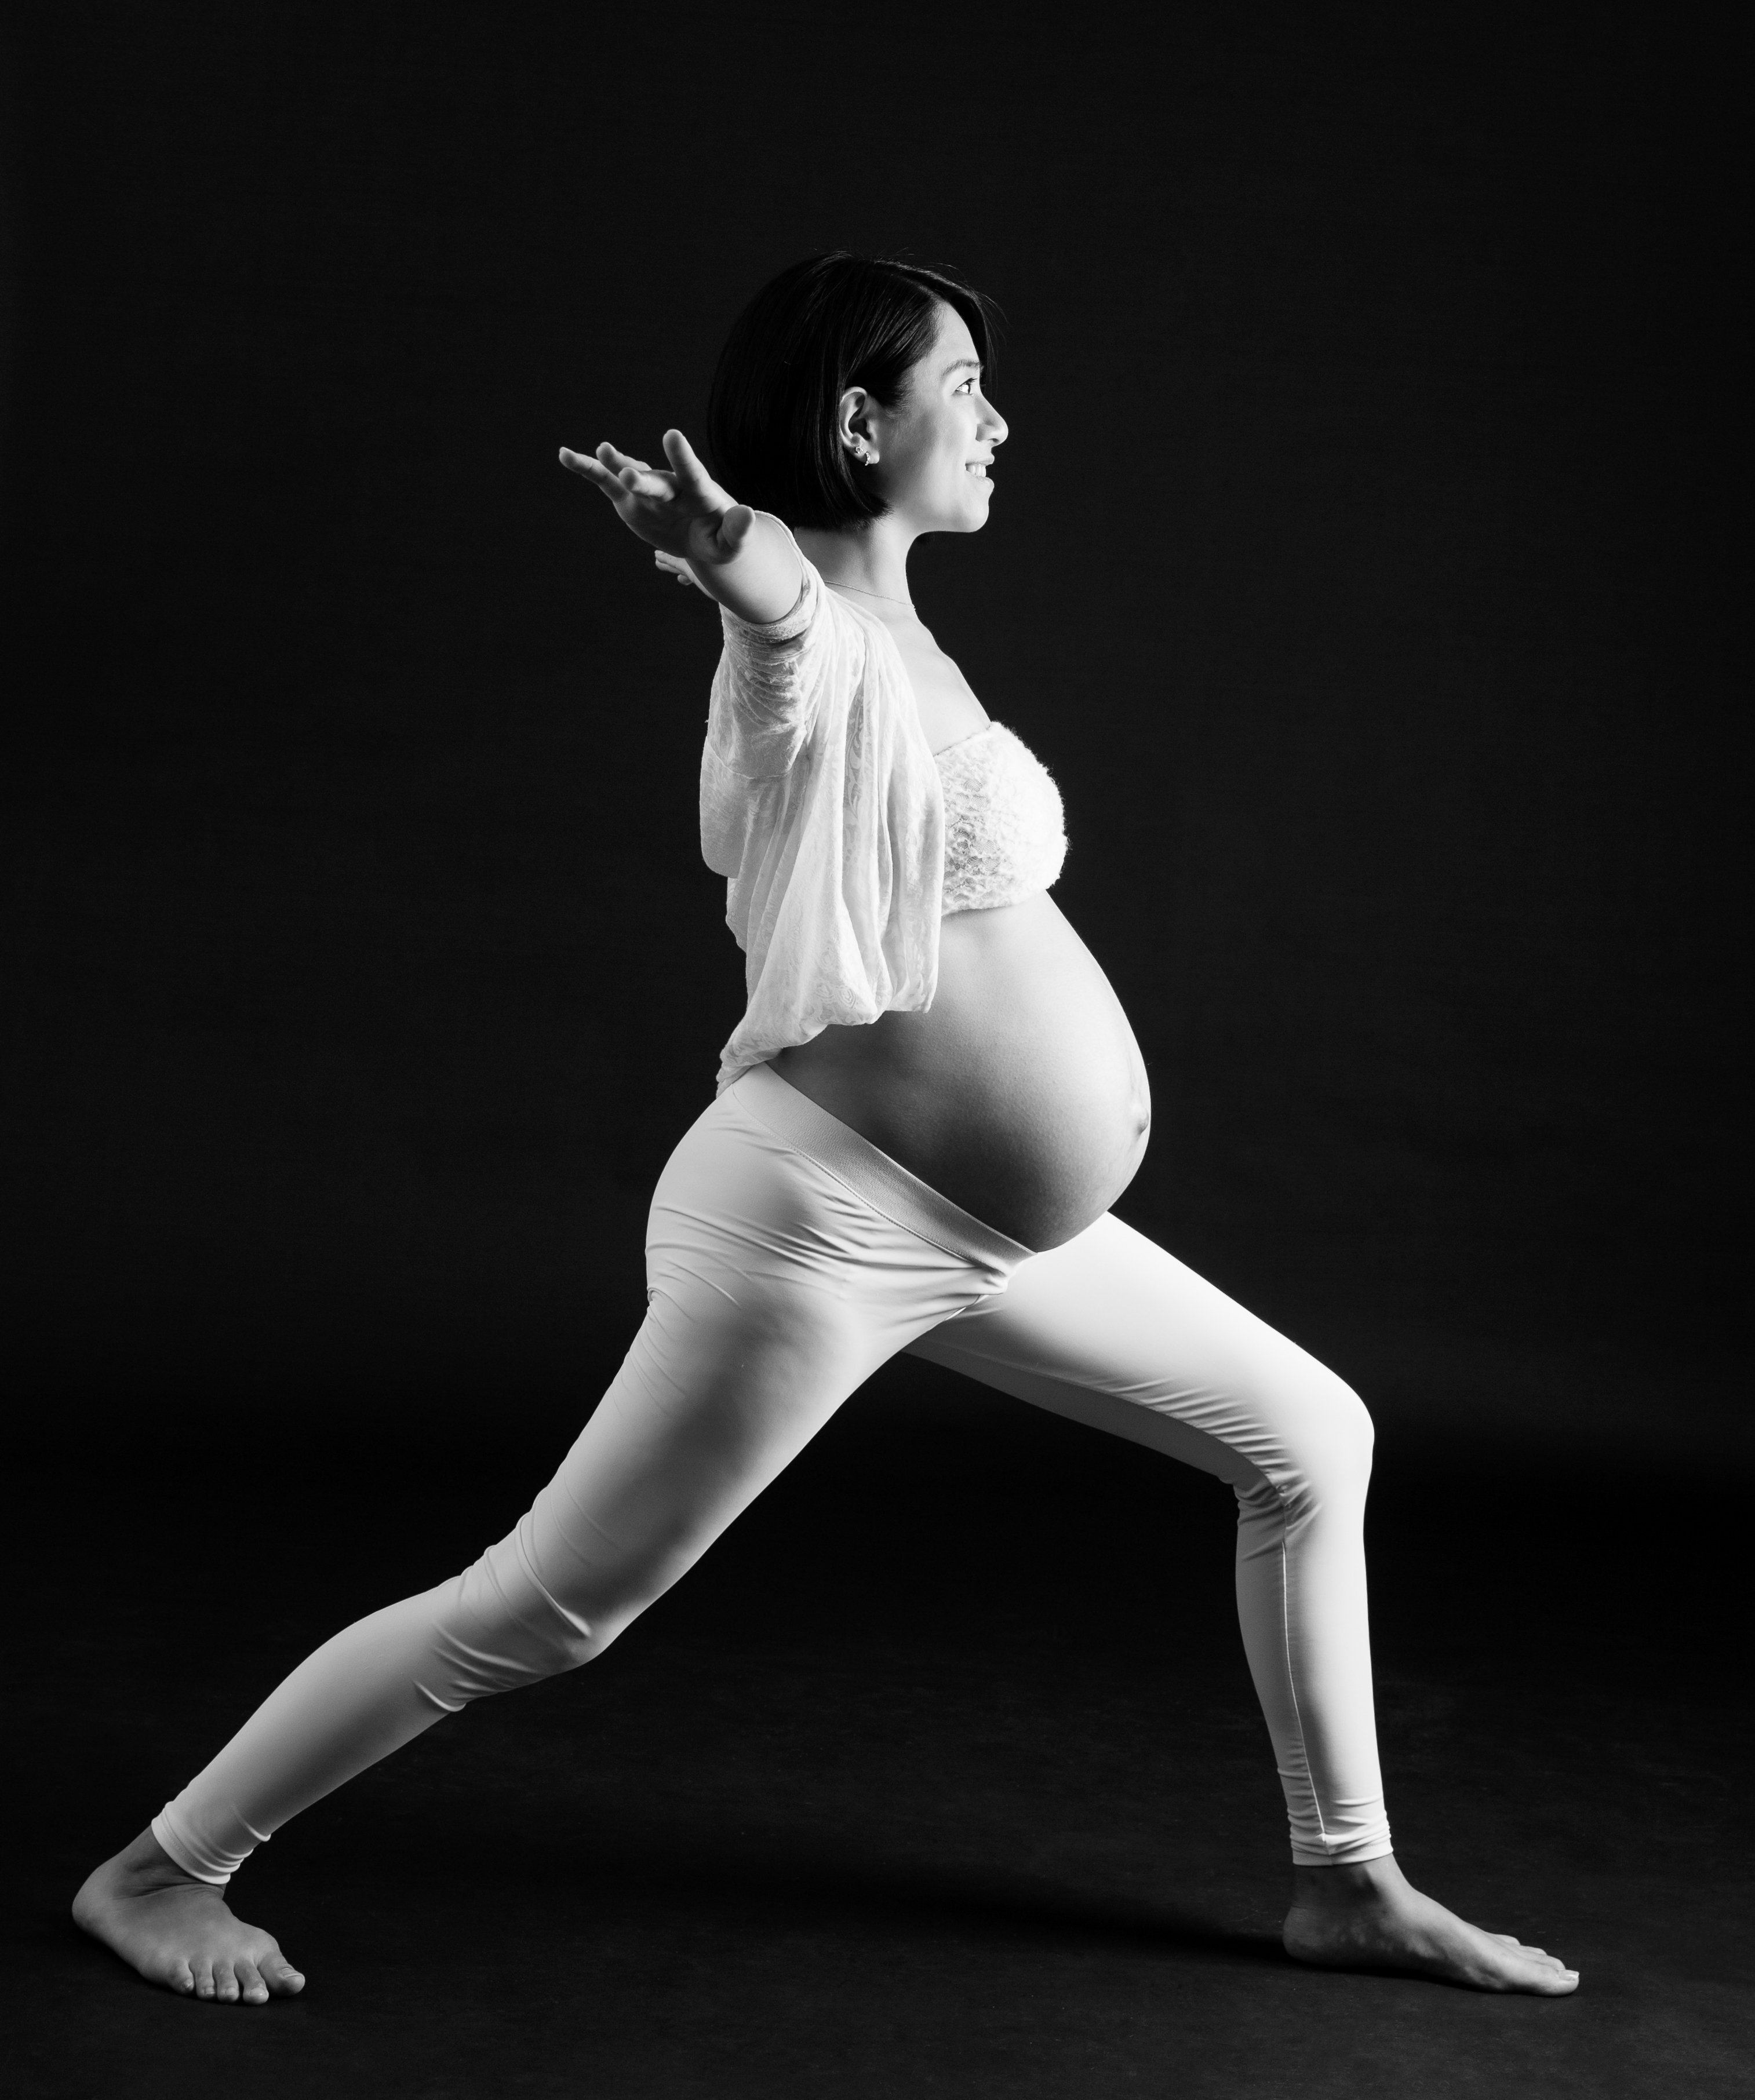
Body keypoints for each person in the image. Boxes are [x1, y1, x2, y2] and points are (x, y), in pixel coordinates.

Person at [72, 252, 1579, 2002]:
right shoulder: (802, 632)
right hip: (820, 1223)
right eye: (964, 387)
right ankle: (159, 1871)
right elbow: (781, 619)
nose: (999, 422)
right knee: (547, 1609)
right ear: (860, 423)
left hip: (993, 1232)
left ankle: (1350, 1883)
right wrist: (732, 554)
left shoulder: (914, 644)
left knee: (1312, 1435)